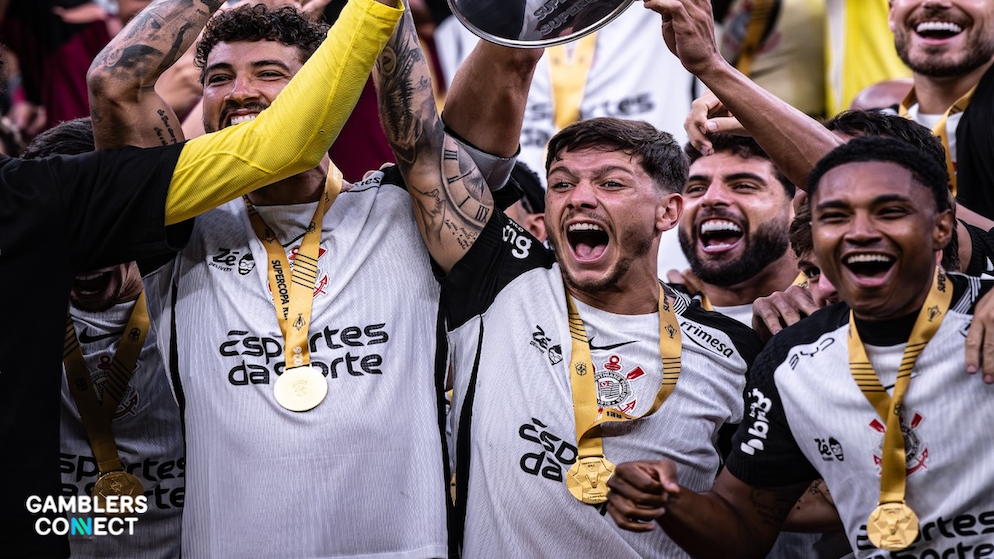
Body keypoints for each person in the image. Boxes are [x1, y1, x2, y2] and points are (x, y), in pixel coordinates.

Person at [87, 0, 540, 555]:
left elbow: (420, 135)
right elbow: (114, 83)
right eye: (219, 78)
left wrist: (380, 10)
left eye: (270, 73)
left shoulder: (403, 213)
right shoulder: (181, 229)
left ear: (325, 88)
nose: (239, 91)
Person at [2, 0, 402, 556]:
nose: (92, 260)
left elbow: (274, 143)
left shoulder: (177, 246)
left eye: (269, 74)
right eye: (223, 77)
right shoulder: (45, 290)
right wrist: (103, 528)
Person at [376, 8, 763, 557]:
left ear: (668, 211)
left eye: (611, 182)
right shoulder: (499, 279)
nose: (580, 197)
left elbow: (760, 524)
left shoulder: (738, 348)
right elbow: (421, 149)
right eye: (562, 183)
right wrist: (383, 12)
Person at [605, 136, 994, 557]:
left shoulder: (985, 310)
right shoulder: (790, 357)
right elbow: (743, 529)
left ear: (941, 227)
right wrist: (668, 498)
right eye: (835, 217)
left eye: (890, 212)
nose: (859, 233)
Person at [21, 118, 184, 559]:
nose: (89, 249)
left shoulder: (192, 303)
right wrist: (90, 521)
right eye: (71, 229)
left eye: (104, 226)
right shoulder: (22, 323)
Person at [674, 134, 798, 324]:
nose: (711, 198)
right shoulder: (652, 318)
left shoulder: (839, 308)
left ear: (797, 206)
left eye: (743, 186)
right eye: (696, 188)